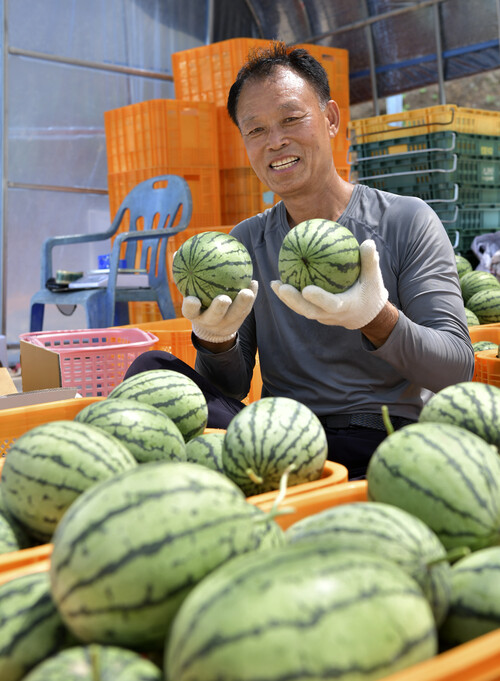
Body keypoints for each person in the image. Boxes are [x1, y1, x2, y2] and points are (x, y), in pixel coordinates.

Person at [125, 41, 474, 478]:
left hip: (378, 437)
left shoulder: (407, 221)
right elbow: (229, 387)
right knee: (151, 368)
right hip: (275, 440)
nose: (276, 141)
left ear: (330, 119)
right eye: (255, 130)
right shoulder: (246, 241)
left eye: (291, 119)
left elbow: (457, 368)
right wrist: (216, 338)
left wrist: (375, 316)